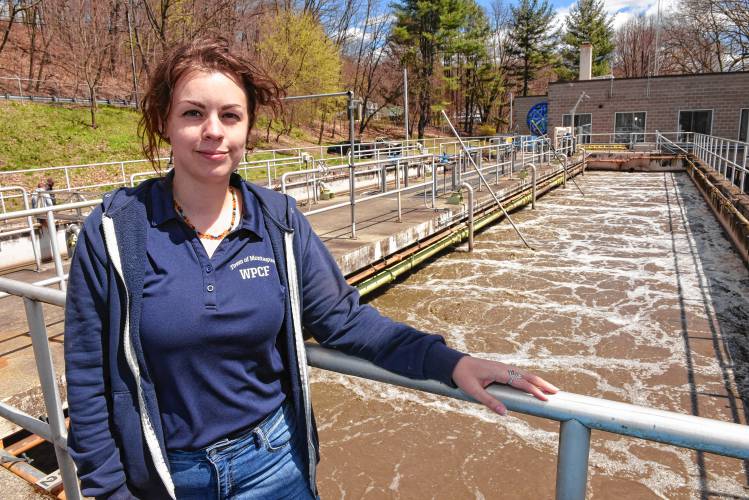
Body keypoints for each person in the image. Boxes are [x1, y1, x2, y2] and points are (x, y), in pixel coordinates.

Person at [63, 37, 558, 500]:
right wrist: (109, 492)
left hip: (274, 468)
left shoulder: (279, 221)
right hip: (165, 477)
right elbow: (88, 380)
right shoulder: (115, 230)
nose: (213, 130)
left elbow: (345, 319)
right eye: (194, 113)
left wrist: (449, 362)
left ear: (247, 129)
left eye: (230, 116)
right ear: (164, 123)